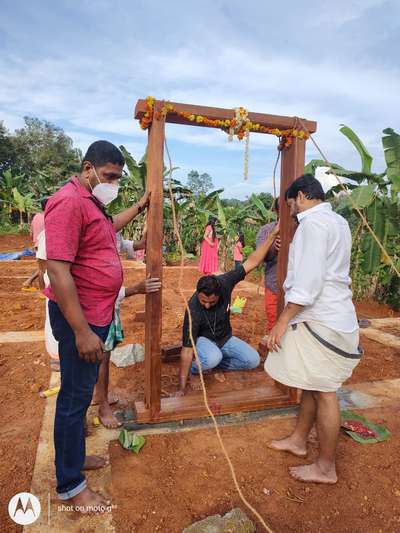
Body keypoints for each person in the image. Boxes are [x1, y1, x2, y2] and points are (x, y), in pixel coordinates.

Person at [45, 140, 150, 512]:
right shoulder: (69, 202)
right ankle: (71, 486)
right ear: (88, 168)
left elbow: (109, 227)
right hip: (83, 320)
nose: (114, 184)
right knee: (73, 402)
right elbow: (57, 270)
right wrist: (82, 331)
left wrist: (139, 206)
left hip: (96, 316)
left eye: (118, 179)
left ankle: (73, 461)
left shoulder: (92, 203)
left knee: (78, 395)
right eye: (109, 176)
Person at [264, 175, 361, 485]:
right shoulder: (338, 222)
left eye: (291, 204)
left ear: (302, 196)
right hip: (331, 315)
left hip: (322, 318)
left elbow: (308, 283)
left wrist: (281, 321)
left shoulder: (312, 225)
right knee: (311, 382)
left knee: (325, 391)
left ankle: (325, 467)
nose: (291, 211)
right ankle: (298, 440)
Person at [175, 223, 280, 396]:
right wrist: (182, 386)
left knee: (252, 360)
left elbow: (252, 261)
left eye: (212, 302)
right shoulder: (193, 309)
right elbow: (187, 350)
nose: (207, 305)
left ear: (219, 293)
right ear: (198, 294)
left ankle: (213, 363)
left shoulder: (225, 282)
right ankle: (196, 369)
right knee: (212, 357)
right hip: (203, 341)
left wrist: (272, 236)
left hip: (224, 338)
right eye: (203, 301)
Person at [92, 276, 161, 428]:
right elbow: (98, 290)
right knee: (100, 356)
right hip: (96, 310)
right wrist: (135, 289)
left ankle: (99, 395)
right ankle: (103, 407)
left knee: (104, 354)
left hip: (104, 309)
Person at [256, 199, 280, 333]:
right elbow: (260, 257)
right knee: (274, 325)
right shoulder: (266, 231)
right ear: (277, 211)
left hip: (298, 290)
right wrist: (274, 247)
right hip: (274, 286)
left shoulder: (304, 228)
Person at [23, 199, 47, 288]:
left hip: (37, 243)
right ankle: (35, 284)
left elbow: (31, 232)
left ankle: (31, 282)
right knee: (43, 268)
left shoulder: (36, 216)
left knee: (42, 267)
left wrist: (34, 242)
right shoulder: (47, 217)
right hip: (44, 244)